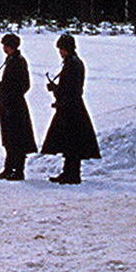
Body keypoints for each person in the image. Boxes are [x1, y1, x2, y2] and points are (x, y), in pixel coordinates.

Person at [41, 32, 100, 184]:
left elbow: (71, 88)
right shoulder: (73, 63)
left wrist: (57, 91)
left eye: (62, 49)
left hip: (71, 108)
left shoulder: (72, 64)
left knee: (71, 142)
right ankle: (69, 172)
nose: (60, 52)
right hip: (71, 107)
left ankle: (72, 174)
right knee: (71, 142)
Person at [0, 32, 36, 180]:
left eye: (5, 46)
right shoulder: (11, 60)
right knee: (9, 138)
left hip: (15, 106)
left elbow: (23, 85)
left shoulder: (19, 62)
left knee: (17, 138)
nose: (4, 48)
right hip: (8, 104)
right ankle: (9, 168)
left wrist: (5, 91)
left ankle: (19, 170)